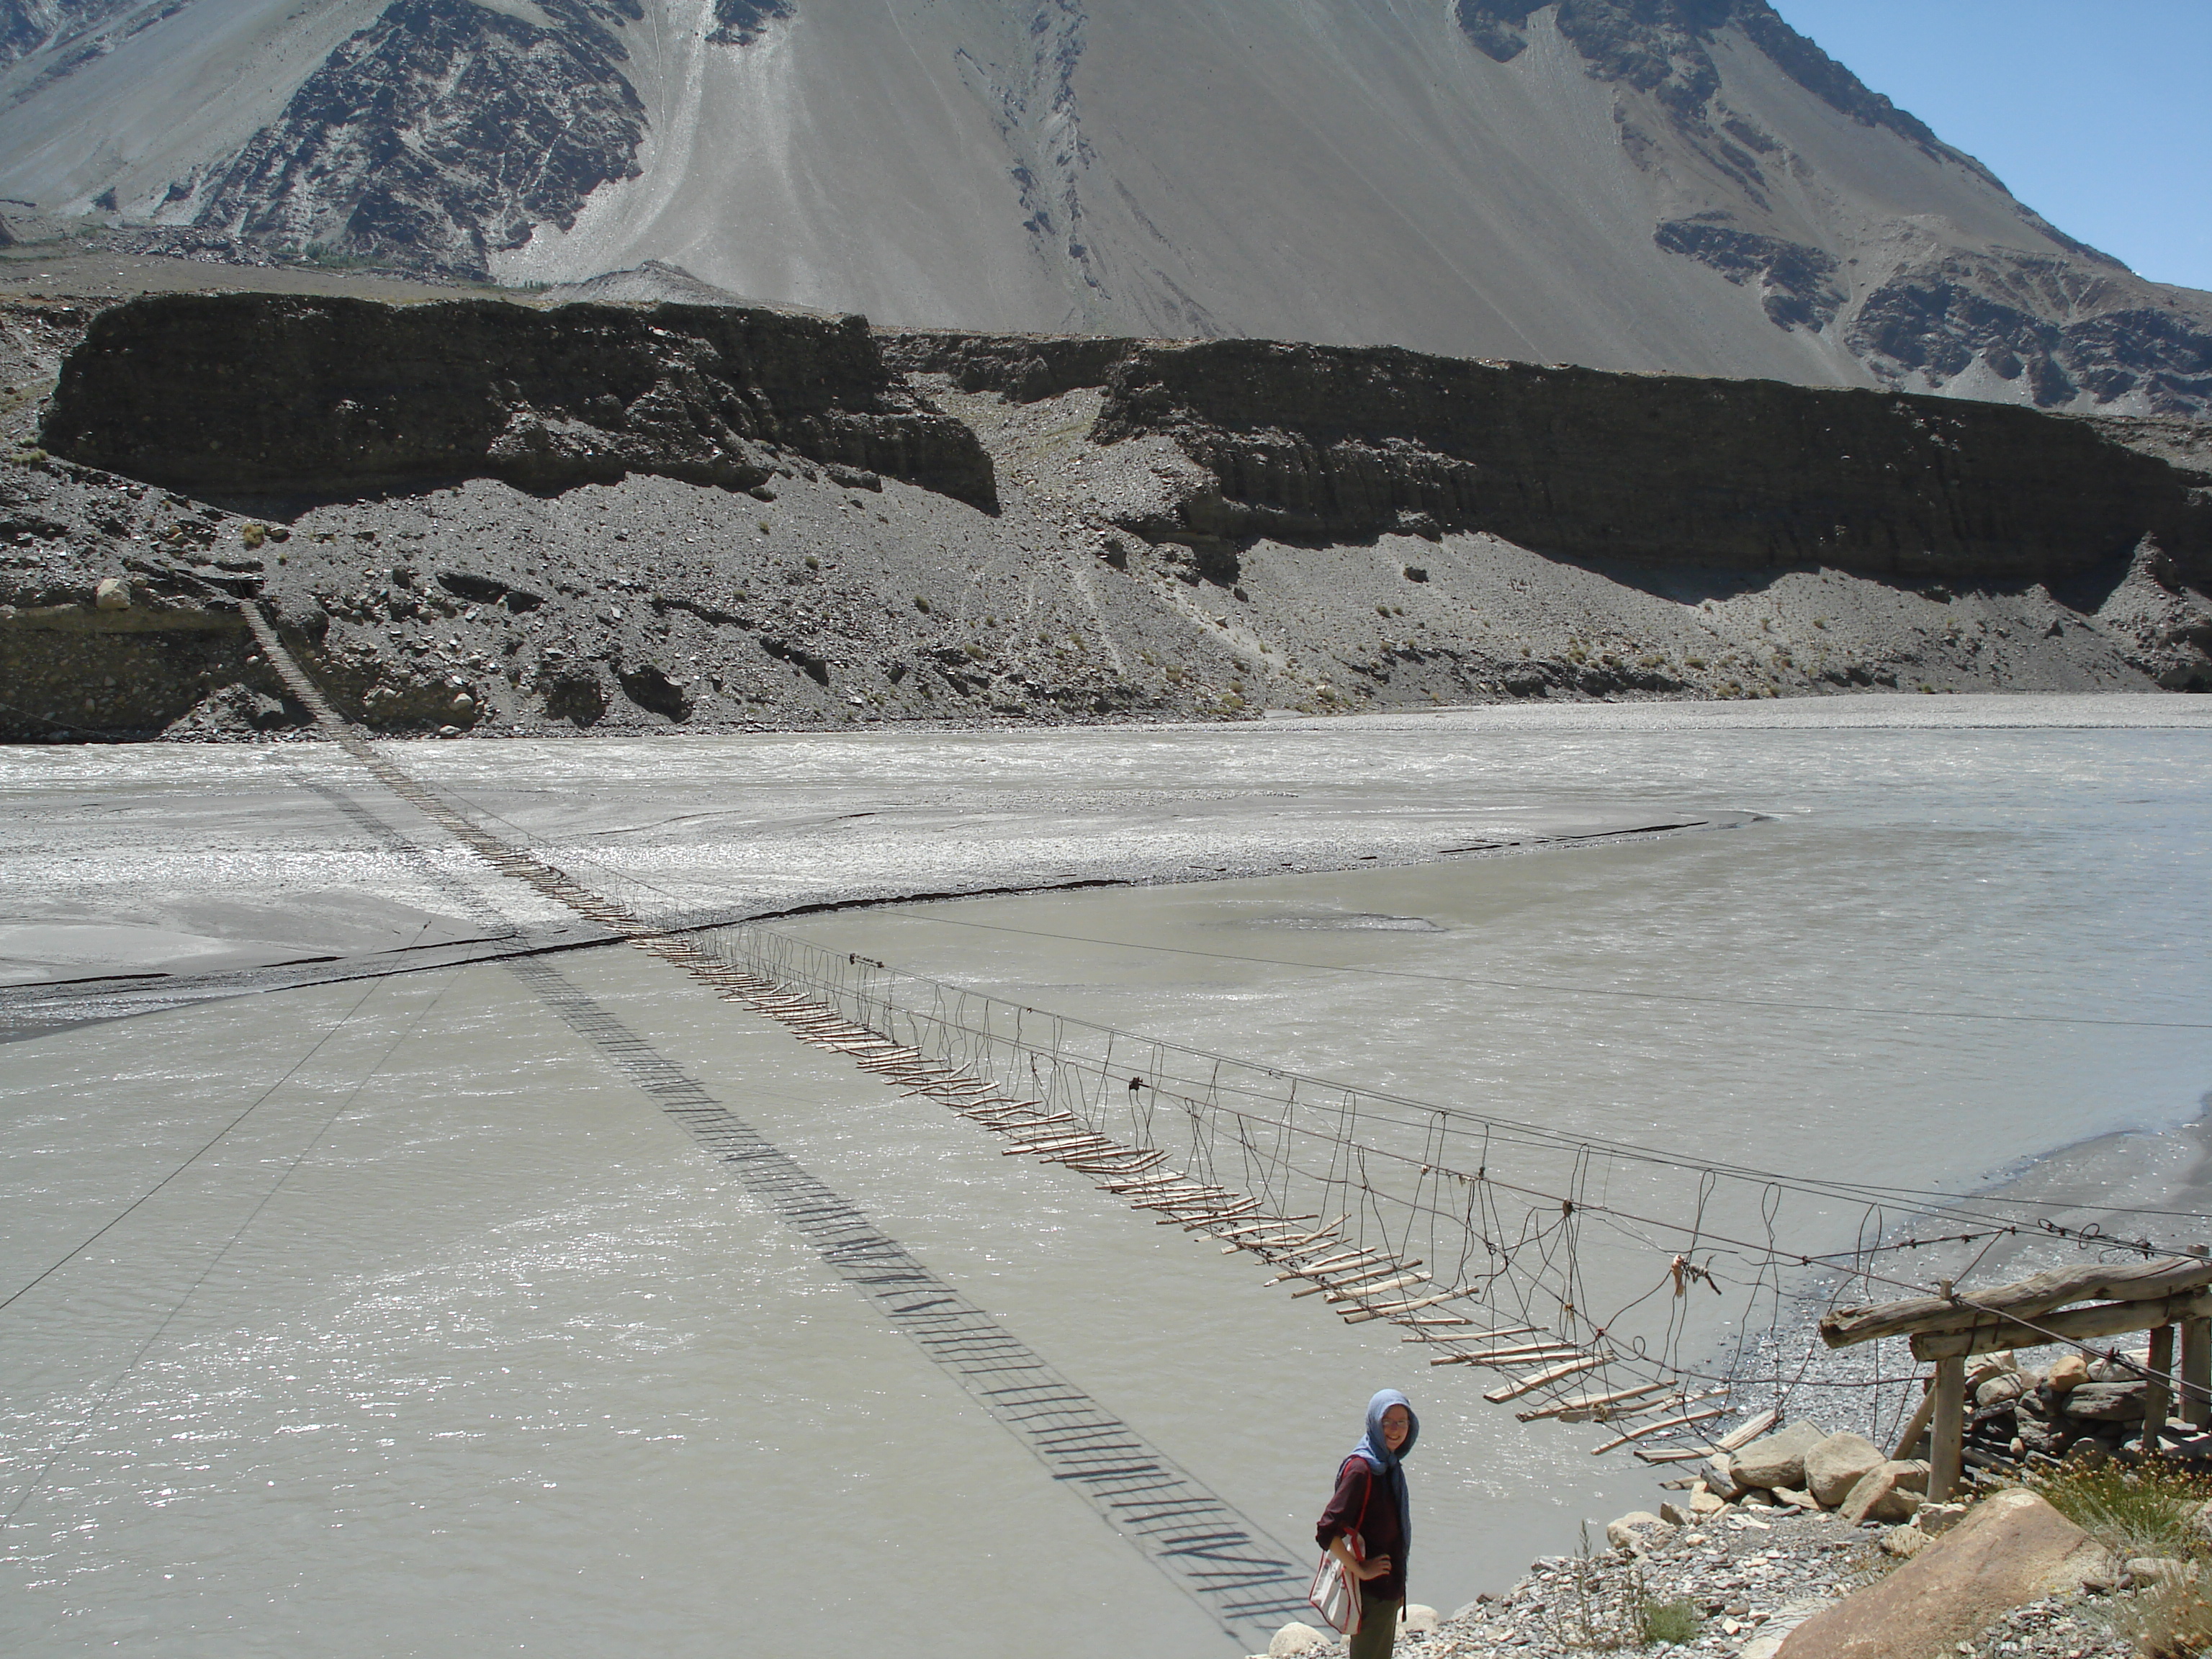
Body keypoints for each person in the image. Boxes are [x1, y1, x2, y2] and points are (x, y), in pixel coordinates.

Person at [1316, 1389, 1419, 1659]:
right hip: (1371, 1594)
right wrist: (1361, 1570)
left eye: (1403, 1421)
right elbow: (1327, 1531)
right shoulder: (1362, 1470)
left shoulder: (1388, 1464)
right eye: (1387, 1421)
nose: (1395, 1430)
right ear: (1374, 1422)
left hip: (1387, 1589)